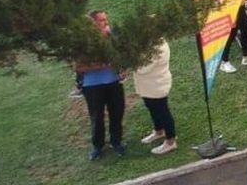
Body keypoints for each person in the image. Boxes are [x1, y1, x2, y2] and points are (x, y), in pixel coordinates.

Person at [76, 10, 127, 159]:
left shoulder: (111, 36)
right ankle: (98, 146)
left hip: (114, 83)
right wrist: (103, 65)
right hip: (92, 86)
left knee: (117, 113)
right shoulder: (84, 41)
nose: (106, 22)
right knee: (97, 116)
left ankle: (116, 142)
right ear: (92, 23)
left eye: (106, 19)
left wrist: (122, 69)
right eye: (101, 20)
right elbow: (78, 67)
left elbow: (122, 56)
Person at [130, 39, 177, 155]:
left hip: (157, 85)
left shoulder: (158, 46)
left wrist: (129, 62)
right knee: (152, 108)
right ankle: (159, 131)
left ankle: (170, 141)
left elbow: (143, 67)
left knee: (162, 111)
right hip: (148, 86)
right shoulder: (147, 43)